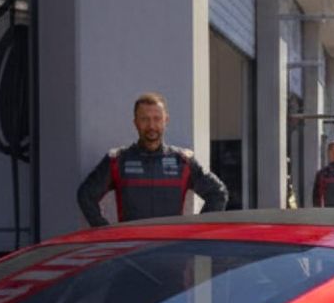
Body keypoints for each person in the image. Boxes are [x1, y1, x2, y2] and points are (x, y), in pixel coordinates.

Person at [77, 93, 229, 227]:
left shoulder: (183, 162)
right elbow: (85, 195)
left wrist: (195, 231)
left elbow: (218, 193)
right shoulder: (117, 161)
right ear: (135, 122)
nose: (151, 126)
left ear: (166, 120)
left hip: (172, 248)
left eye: (157, 119)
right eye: (145, 119)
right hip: (132, 248)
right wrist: (105, 232)